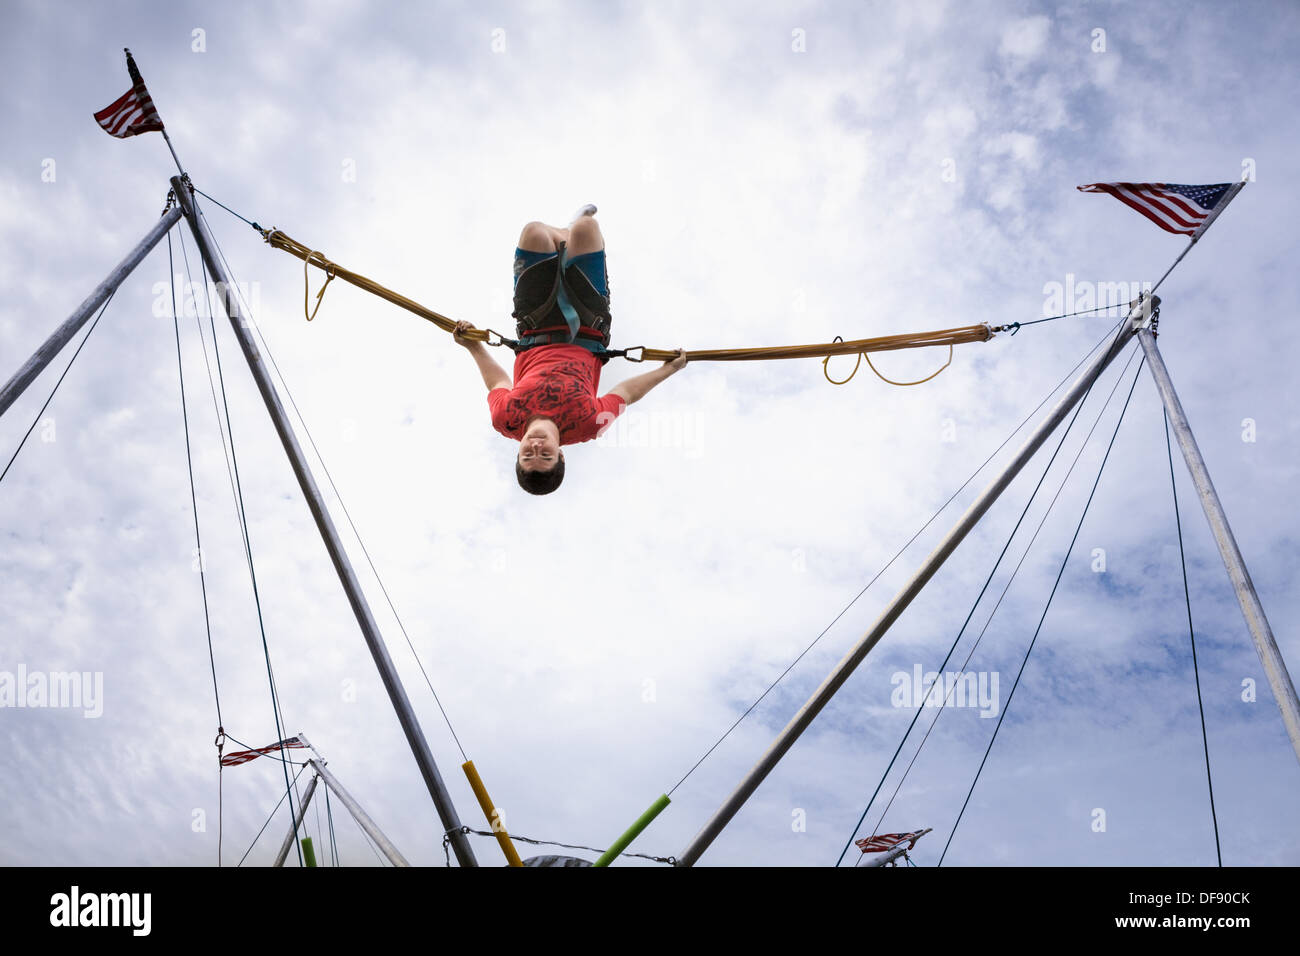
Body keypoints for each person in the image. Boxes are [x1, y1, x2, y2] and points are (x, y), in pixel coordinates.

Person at [454, 206, 687, 495]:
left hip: (535, 326)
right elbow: (626, 393)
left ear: (517, 453)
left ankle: (562, 240)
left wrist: (473, 346)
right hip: (588, 324)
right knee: (586, 228)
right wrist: (668, 369)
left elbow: (497, 382)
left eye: (528, 455)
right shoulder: (588, 424)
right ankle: (569, 236)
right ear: (561, 455)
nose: (536, 447)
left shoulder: (506, 418)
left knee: (534, 232)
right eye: (546, 456)